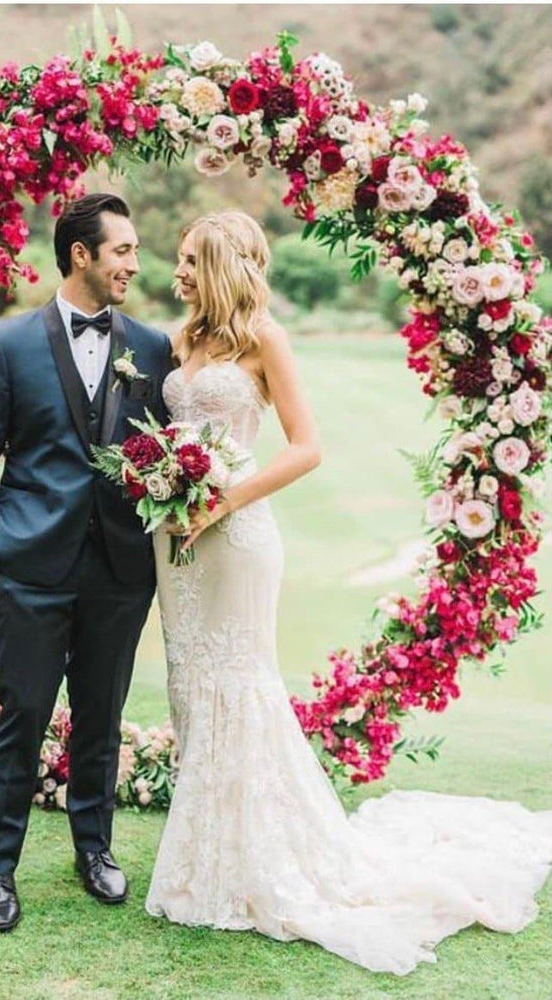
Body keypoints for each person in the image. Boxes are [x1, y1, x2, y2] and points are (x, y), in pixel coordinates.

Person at [145, 210, 552, 974]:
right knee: (191, 685)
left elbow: (308, 447)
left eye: (193, 259)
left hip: (235, 534)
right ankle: (205, 852)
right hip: (175, 544)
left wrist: (223, 497)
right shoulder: (178, 340)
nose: (181, 271)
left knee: (240, 683)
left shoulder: (264, 339)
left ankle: (258, 862)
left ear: (227, 264)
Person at [0, 192, 174, 932]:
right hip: (30, 567)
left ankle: (95, 850)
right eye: (122, 251)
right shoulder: (9, 344)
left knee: (101, 717)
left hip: (120, 568)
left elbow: (167, 453)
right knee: (21, 716)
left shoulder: (152, 346)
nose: (133, 264)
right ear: (81, 254)